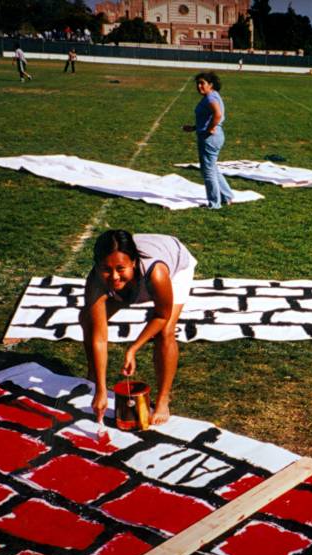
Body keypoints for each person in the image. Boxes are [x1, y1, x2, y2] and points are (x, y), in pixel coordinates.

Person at [80, 230, 198, 426]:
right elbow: (99, 337)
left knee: (165, 332)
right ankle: (93, 376)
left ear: (133, 262)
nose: (114, 276)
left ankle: (163, 400)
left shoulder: (157, 272)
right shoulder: (96, 280)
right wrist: (101, 389)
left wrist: (133, 348)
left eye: (120, 268)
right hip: (135, 284)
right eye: (106, 269)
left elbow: (161, 315)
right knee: (88, 319)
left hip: (175, 262)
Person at [181, 72, 233, 209]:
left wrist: (210, 128)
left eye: (202, 83)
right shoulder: (213, 95)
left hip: (210, 138)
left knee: (208, 171)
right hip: (214, 136)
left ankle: (214, 204)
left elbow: (217, 114)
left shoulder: (210, 97)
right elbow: (209, 117)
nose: (199, 86)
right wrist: (193, 128)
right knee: (212, 168)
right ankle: (227, 196)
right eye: (198, 84)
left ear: (210, 85)